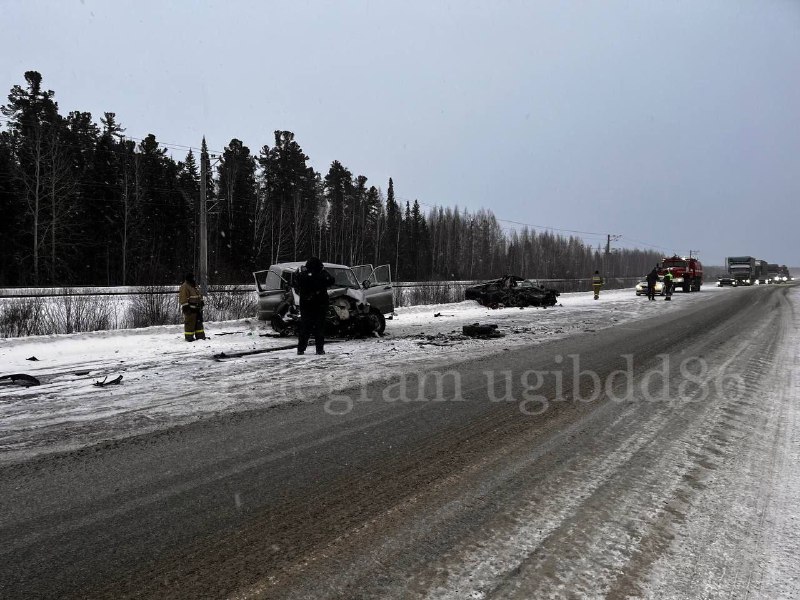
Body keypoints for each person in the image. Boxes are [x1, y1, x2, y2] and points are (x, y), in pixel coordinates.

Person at [294, 257, 335, 355]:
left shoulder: (303, 275)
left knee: (305, 328)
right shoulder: (322, 274)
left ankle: (301, 349)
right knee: (319, 328)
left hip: (306, 305)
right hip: (320, 305)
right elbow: (331, 280)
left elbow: (296, 282)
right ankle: (319, 349)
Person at [178, 273, 205, 342]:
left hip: (197, 308)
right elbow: (183, 297)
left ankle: (200, 337)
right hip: (190, 309)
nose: (194, 279)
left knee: (198, 324)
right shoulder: (185, 286)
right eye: (193, 278)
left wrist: (201, 301)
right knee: (190, 324)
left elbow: (199, 294)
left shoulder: (195, 285)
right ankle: (189, 338)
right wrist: (186, 307)